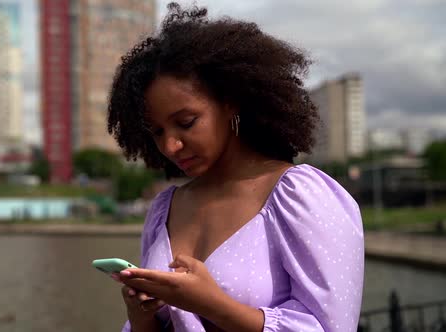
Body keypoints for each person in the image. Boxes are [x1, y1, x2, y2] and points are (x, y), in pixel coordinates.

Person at [106, 3, 364, 332]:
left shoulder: (301, 197)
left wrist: (213, 305)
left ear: (230, 103)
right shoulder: (165, 208)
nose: (170, 145)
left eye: (186, 122)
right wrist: (140, 315)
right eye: (157, 132)